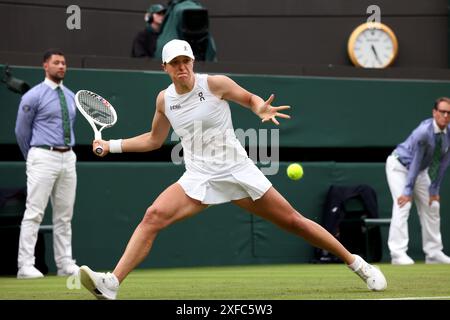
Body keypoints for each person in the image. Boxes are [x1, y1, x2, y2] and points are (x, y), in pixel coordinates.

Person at [79, 39, 387, 300]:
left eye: (186, 60)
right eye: (175, 63)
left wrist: (259, 108)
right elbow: (153, 140)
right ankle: (112, 283)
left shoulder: (215, 83)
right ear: (165, 68)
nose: (182, 67)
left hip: (237, 170)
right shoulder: (164, 100)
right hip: (199, 176)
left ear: (193, 62)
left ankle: (357, 264)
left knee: (294, 222)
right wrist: (112, 145)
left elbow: (249, 98)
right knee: (152, 216)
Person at [14, 49, 79, 279]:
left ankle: (65, 264)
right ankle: (25, 266)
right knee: (34, 212)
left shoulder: (71, 96)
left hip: (68, 157)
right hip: (42, 156)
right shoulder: (33, 96)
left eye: (63, 63)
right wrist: (33, 157)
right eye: (56, 63)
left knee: (64, 215)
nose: (61, 66)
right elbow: (21, 131)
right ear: (45, 66)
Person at [386, 97, 450, 265]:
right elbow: (415, 161)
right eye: (442, 111)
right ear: (434, 113)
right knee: (403, 204)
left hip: (420, 171)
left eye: (449, 113)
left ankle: (434, 253)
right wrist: (407, 191)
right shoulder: (423, 132)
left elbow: (444, 162)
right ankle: (397, 254)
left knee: (433, 205)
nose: (445, 115)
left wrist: (434, 190)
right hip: (399, 166)